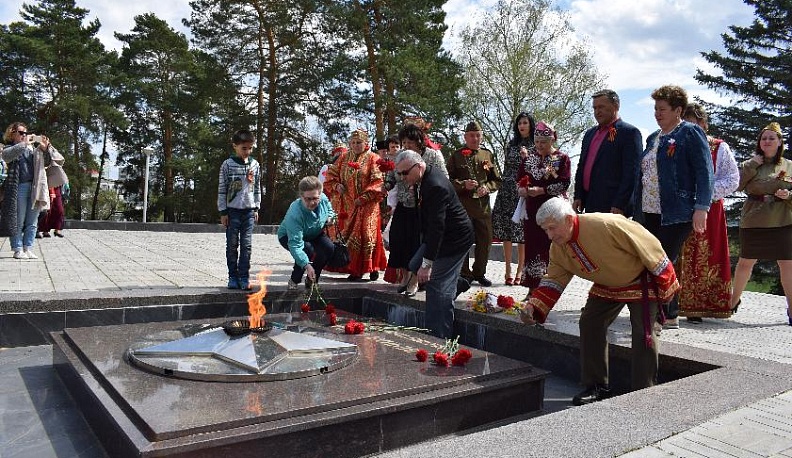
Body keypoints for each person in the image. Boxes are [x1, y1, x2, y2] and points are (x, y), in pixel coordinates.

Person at [520, 198, 679, 405]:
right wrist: (534, 306)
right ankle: (596, 386)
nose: (549, 235)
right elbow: (554, 280)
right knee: (590, 322)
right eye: (545, 230)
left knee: (644, 332)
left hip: (641, 281)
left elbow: (647, 243)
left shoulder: (605, 224)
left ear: (569, 219)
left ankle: (643, 392)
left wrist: (666, 282)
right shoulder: (557, 247)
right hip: (606, 285)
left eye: (552, 228)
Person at [634, 85, 713, 329]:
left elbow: (705, 172)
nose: (657, 113)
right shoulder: (653, 138)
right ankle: (670, 313)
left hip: (676, 210)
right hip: (648, 211)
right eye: (655, 109)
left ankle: (657, 316)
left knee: (661, 259)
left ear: (678, 110)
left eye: (663, 109)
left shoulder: (689, 133)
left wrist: (702, 207)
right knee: (654, 260)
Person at [394, 149, 474, 338]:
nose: (403, 177)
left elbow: (438, 228)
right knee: (414, 265)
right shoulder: (423, 177)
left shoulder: (435, 185)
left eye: (405, 173)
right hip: (440, 236)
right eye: (399, 174)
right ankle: (458, 284)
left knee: (436, 284)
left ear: (419, 166)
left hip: (455, 240)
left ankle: (439, 338)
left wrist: (428, 264)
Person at [678, 103, 739, 322]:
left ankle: (701, 306)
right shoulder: (677, 145)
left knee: (705, 255)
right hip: (680, 207)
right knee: (679, 253)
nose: (687, 127)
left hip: (709, 209)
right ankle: (674, 304)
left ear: (703, 124)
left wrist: (705, 192)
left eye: (692, 122)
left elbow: (733, 179)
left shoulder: (718, 147)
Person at [731, 122, 792, 326]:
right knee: (746, 262)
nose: (767, 141)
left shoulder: (789, 165)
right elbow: (736, 185)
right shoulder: (751, 163)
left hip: (783, 220)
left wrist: (788, 194)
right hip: (754, 219)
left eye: (771, 138)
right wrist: (752, 165)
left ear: (780, 142)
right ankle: (733, 301)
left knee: (787, 265)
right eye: (763, 138)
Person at [386, 123, 448, 296]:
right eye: (404, 142)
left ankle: (414, 281)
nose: (406, 146)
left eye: (410, 142)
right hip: (403, 204)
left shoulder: (433, 156)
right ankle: (405, 277)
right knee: (398, 240)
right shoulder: (400, 156)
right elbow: (391, 176)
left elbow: (444, 178)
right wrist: (387, 185)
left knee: (417, 244)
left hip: (423, 209)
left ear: (419, 141)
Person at [323, 128, 388, 281]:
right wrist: (337, 185)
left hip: (366, 205)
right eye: (353, 142)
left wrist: (365, 196)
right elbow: (331, 175)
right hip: (346, 205)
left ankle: (366, 268)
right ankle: (352, 267)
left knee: (366, 235)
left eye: (359, 142)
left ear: (366, 143)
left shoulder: (373, 158)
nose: (356, 145)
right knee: (345, 235)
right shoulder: (344, 157)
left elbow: (378, 181)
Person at [516, 121, 571, 290]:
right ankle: (533, 289)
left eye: (543, 142)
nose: (539, 145)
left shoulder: (562, 159)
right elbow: (519, 179)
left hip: (553, 211)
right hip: (532, 211)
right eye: (537, 141)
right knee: (532, 247)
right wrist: (521, 189)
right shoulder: (529, 159)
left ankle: (549, 288)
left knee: (550, 248)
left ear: (552, 140)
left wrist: (542, 190)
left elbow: (564, 183)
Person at [447, 121, 501, 287]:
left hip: (483, 209)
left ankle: (480, 273)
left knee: (485, 243)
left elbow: (497, 180)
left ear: (482, 136)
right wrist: (463, 185)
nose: (475, 138)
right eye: (471, 135)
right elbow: (447, 180)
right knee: (463, 242)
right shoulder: (456, 156)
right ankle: (464, 274)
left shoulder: (487, 155)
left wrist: (488, 187)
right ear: (465, 137)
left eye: (478, 135)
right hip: (463, 208)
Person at [573, 89, 642, 216]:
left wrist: (620, 203)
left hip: (613, 207)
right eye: (594, 108)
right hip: (590, 203)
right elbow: (582, 167)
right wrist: (578, 195)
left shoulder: (629, 133)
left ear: (616, 106)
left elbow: (632, 173)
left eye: (601, 107)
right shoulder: (589, 134)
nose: (597, 112)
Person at [492, 112, 534, 286]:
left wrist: (527, 158)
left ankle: (520, 270)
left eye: (525, 123)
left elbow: (536, 168)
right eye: (519, 123)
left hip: (523, 191)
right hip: (507, 190)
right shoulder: (511, 144)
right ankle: (508, 269)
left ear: (530, 124)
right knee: (506, 231)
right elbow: (506, 166)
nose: (522, 126)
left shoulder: (535, 144)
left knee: (521, 233)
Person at [218, 129, 261, 291]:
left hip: (249, 211)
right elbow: (222, 189)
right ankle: (232, 277)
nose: (247, 151)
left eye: (250, 148)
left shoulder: (255, 165)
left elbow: (257, 187)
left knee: (247, 245)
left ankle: (244, 277)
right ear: (235, 146)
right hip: (232, 211)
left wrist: (256, 206)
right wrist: (223, 211)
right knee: (232, 244)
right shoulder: (227, 165)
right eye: (244, 148)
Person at [2, 122, 52, 260]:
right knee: (18, 220)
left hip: (35, 187)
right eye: (21, 133)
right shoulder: (10, 148)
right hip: (19, 187)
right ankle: (17, 248)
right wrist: (25, 143)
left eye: (26, 133)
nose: (24, 135)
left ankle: (28, 248)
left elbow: (47, 163)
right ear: (13, 133)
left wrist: (45, 148)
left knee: (33, 221)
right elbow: (6, 156)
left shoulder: (32, 150)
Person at [278, 176, 336, 290]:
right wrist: (307, 265)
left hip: (314, 232)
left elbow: (329, 210)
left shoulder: (323, 199)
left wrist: (330, 217)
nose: (312, 202)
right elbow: (296, 246)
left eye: (315, 198)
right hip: (289, 236)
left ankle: (312, 280)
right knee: (307, 250)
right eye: (308, 199)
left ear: (320, 195)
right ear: (301, 196)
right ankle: (294, 280)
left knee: (328, 247)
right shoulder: (294, 213)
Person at [36, 146, 68, 238]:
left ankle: (57, 229)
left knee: (59, 209)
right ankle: (44, 230)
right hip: (45, 185)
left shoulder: (53, 152)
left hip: (56, 185)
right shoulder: (38, 154)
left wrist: (49, 147)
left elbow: (61, 160)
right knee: (46, 209)